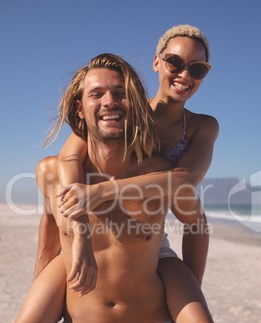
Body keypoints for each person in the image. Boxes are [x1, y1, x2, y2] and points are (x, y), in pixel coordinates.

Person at [0, 54, 234, 323]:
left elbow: (197, 225)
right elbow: (50, 223)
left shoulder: (158, 177)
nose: (110, 101)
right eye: (97, 94)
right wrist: (43, 291)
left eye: (120, 93)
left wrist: (187, 290)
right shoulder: (51, 172)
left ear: (136, 106)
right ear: (80, 109)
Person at [54, 24, 218, 289]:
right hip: (102, 225)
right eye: (175, 63)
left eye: (197, 68)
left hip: (152, 237)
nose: (185, 74)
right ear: (157, 62)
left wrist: (192, 287)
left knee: (198, 318)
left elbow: (185, 179)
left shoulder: (203, 126)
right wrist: (81, 231)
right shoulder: (127, 111)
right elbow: (68, 155)